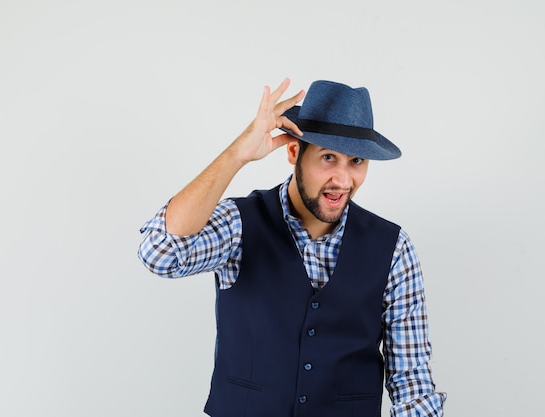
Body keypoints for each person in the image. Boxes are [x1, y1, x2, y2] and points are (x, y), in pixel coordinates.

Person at [138, 78, 446, 417]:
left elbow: (412, 381)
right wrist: (236, 155)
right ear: (293, 151)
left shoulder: (393, 248)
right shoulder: (239, 224)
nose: (343, 181)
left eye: (356, 161)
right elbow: (160, 253)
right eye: (329, 157)